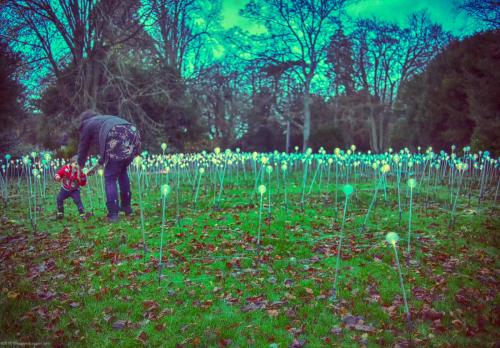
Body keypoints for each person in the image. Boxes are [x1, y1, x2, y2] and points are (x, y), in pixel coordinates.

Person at [77, 110, 141, 222]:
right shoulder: (104, 120)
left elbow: (83, 148)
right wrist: (96, 167)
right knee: (122, 171)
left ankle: (113, 214)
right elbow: (107, 152)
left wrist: (79, 168)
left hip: (115, 133)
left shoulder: (87, 124)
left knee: (110, 177)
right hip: (133, 132)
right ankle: (126, 207)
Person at [54, 155, 88, 220]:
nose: (77, 166)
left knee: (78, 200)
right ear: (71, 163)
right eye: (75, 164)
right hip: (65, 188)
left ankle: (82, 214)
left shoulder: (81, 173)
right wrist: (57, 177)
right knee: (59, 198)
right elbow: (59, 173)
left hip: (74, 190)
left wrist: (82, 179)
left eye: (79, 165)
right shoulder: (66, 169)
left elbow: (82, 183)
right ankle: (60, 212)